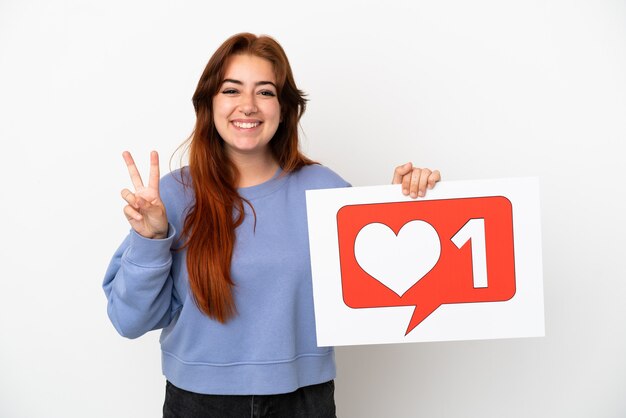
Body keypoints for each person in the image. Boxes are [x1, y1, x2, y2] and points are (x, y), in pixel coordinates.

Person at [103, 32, 440, 418]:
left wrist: (407, 206)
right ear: (209, 103)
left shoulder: (326, 189)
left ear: (284, 107)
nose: (247, 106)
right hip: (197, 403)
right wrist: (151, 239)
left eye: (264, 92)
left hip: (303, 400)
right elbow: (129, 322)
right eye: (232, 90)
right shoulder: (171, 196)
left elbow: (377, 290)